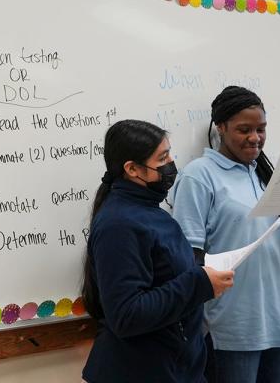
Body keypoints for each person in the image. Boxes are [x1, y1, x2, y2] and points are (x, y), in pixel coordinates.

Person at [170, 86, 280, 383]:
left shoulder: (266, 173)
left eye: (261, 129)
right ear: (221, 128)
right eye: (244, 129)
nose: (255, 138)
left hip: (279, 320)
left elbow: (273, 242)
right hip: (230, 327)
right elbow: (188, 257)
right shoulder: (199, 175)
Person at [82, 119, 235, 383]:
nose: (171, 164)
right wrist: (199, 283)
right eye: (162, 158)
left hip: (174, 367)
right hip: (139, 371)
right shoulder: (118, 224)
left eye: (169, 153)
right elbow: (126, 314)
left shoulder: (149, 211)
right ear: (132, 169)